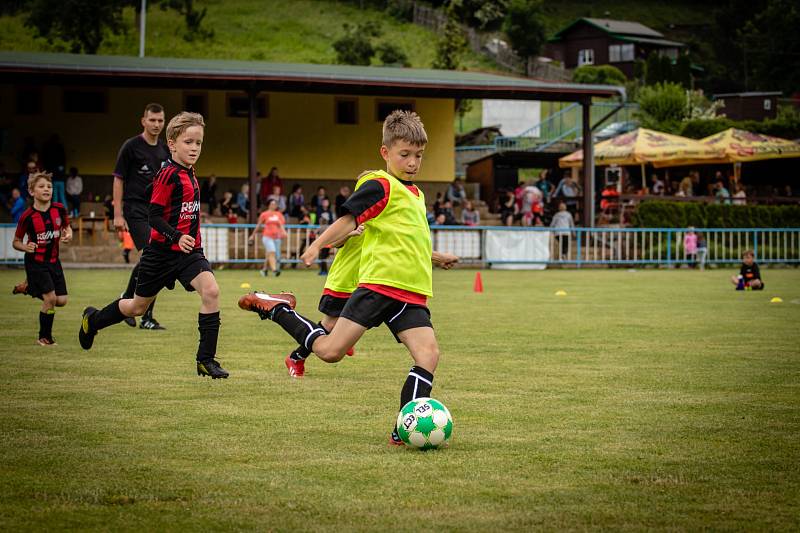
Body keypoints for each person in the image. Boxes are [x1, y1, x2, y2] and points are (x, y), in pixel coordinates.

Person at [237, 110, 458, 445]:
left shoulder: (415, 194)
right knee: (329, 351)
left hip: (411, 293)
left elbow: (408, 240)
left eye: (418, 156)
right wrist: (316, 246)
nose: (413, 162)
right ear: (386, 153)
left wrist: (437, 257)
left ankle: (403, 429)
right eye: (405, 155)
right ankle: (276, 308)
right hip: (379, 288)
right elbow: (349, 219)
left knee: (428, 355)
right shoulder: (380, 184)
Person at [78, 112, 228, 379]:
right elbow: (154, 217)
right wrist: (176, 236)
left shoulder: (190, 173)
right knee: (136, 307)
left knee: (211, 291)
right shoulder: (168, 175)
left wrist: (188, 236)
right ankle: (93, 320)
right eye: (188, 142)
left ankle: (205, 360)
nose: (194, 148)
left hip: (189, 253)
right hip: (160, 254)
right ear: (171, 143)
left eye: (199, 143)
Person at [112, 102, 170, 330]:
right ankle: (131, 302)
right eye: (152, 120)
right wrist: (117, 213)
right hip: (135, 210)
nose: (156, 124)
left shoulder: (165, 150)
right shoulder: (131, 146)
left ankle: (140, 311)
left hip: (158, 212)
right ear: (143, 121)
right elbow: (118, 178)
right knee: (151, 254)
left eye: (160, 120)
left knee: (158, 261)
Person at [12, 172, 72, 345]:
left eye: (49, 186)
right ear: (32, 191)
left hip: (54, 261)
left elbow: (67, 228)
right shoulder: (28, 216)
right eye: (41, 186)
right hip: (35, 262)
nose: (46, 189)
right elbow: (16, 242)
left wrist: (68, 235)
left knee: (62, 301)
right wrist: (25, 246)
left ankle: (30, 287)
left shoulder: (59, 209)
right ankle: (44, 337)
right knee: (51, 298)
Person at [249, 199, 286, 276]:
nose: (274, 205)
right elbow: (258, 225)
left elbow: (281, 225)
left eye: (275, 204)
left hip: (277, 237)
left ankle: (264, 269)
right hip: (267, 236)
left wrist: (284, 232)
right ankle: (275, 270)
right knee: (272, 251)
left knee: (270, 254)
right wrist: (252, 235)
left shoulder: (279, 214)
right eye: (272, 204)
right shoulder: (264, 214)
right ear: (269, 205)